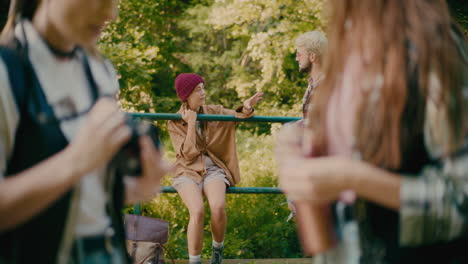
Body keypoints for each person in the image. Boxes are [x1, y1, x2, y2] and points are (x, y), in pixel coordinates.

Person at [277, 0, 468, 263]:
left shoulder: (434, 48)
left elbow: (461, 204)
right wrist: (305, 148)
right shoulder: (349, 43)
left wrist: (351, 176)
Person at [0, 0, 169, 263]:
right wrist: (77, 160)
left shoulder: (97, 69)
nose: (111, 14)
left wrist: (132, 188)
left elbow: (82, 196)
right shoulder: (6, 72)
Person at [167, 73, 263, 264]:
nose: (203, 93)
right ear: (186, 95)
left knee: (218, 207)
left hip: (214, 170)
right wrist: (192, 123)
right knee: (197, 211)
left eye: (203, 88)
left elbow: (238, 115)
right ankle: (195, 261)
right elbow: (188, 154)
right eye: (198, 90)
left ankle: (217, 251)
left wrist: (246, 106)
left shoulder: (214, 110)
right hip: (186, 171)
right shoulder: (174, 121)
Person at [295, 31, 327, 120]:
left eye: (299, 54)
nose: (297, 59)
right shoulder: (313, 83)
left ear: (312, 56)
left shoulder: (327, 86)